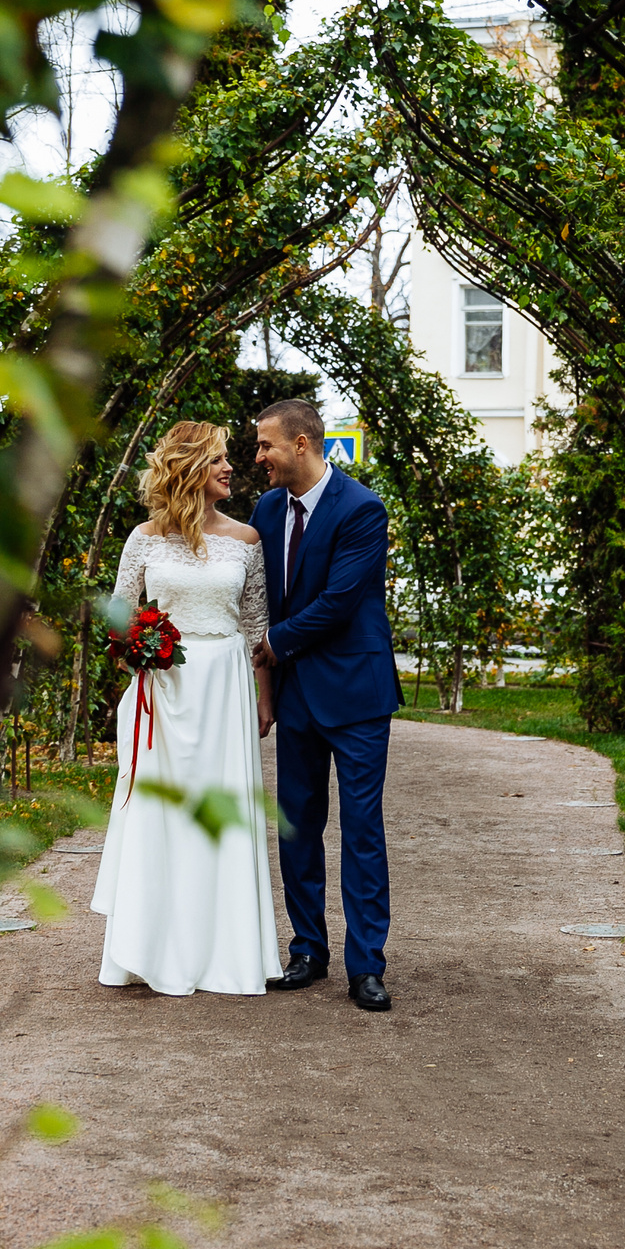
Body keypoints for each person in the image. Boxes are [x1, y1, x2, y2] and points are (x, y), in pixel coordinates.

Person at [92, 422, 283, 996]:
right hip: (164, 689)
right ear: (190, 468)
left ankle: (224, 952)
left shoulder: (247, 541)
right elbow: (119, 615)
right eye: (220, 459)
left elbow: (258, 628)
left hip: (224, 686)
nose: (232, 467)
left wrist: (263, 700)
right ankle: (148, 948)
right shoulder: (144, 538)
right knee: (161, 814)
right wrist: (139, 650)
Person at [249, 398, 401, 1012]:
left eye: (266, 446)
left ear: (302, 445)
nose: (257, 457)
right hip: (298, 698)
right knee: (298, 829)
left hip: (357, 694)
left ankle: (367, 965)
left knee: (362, 832)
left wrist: (271, 644)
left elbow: (339, 602)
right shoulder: (265, 509)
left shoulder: (362, 508)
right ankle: (308, 950)